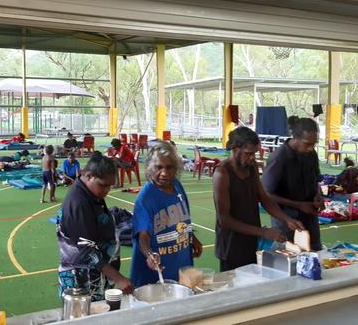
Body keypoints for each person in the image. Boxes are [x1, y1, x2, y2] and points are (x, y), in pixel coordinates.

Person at [213, 127, 304, 271]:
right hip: (231, 246)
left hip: (252, 242)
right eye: (248, 153)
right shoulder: (222, 173)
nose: (252, 158)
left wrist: (287, 219)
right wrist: (263, 232)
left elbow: (263, 197)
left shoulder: (251, 166)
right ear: (235, 148)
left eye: (254, 153)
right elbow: (224, 219)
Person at [56, 151, 133, 301]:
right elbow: (86, 250)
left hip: (97, 275)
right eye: (103, 185)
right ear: (89, 176)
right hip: (82, 280)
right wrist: (118, 278)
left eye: (110, 186)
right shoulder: (78, 202)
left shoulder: (91, 193)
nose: (107, 191)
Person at [130, 141, 203, 287]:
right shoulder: (145, 199)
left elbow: (181, 221)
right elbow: (143, 236)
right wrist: (150, 255)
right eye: (159, 167)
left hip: (180, 265)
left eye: (169, 167)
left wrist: (192, 237)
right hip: (155, 274)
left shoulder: (177, 185)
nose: (164, 173)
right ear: (150, 167)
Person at [262, 118, 324, 251]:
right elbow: (266, 194)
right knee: (289, 258)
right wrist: (299, 205)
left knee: (315, 253)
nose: (310, 148)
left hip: (310, 216)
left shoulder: (311, 154)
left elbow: (316, 180)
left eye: (314, 144)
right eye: (307, 144)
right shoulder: (279, 157)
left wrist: (318, 196)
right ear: (295, 138)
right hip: (286, 220)